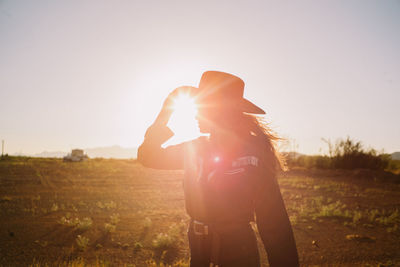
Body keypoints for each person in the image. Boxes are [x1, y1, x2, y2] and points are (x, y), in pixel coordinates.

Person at [138, 71, 299, 267]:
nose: (196, 113)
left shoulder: (252, 153)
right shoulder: (195, 147)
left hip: (238, 253)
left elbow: (274, 222)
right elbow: (148, 157)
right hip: (199, 251)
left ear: (221, 110)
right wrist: (166, 111)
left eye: (202, 107)